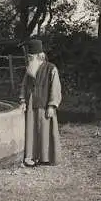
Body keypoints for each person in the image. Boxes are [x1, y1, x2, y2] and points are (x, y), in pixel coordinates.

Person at [19, 39, 62, 167]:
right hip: (31, 105)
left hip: (45, 104)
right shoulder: (30, 70)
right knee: (31, 131)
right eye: (29, 57)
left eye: (31, 57)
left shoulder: (51, 68)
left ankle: (46, 157)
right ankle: (31, 157)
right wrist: (22, 100)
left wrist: (52, 105)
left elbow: (56, 87)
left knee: (45, 131)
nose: (29, 59)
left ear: (39, 56)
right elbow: (24, 86)